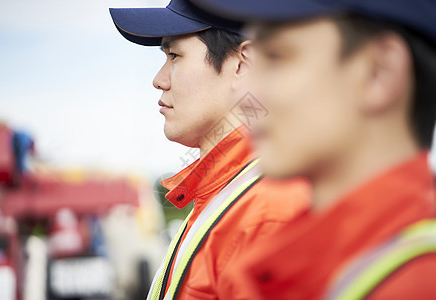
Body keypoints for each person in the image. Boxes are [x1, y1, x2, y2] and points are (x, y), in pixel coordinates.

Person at [190, 0, 436, 298]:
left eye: (277, 57)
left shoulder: (415, 283)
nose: (246, 97)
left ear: (379, 72)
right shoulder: (316, 262)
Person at [109, 1, 310, 299]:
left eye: (174, 55)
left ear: (243, 65)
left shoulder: (268, 212)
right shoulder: (228, 194)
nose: (159, 80)